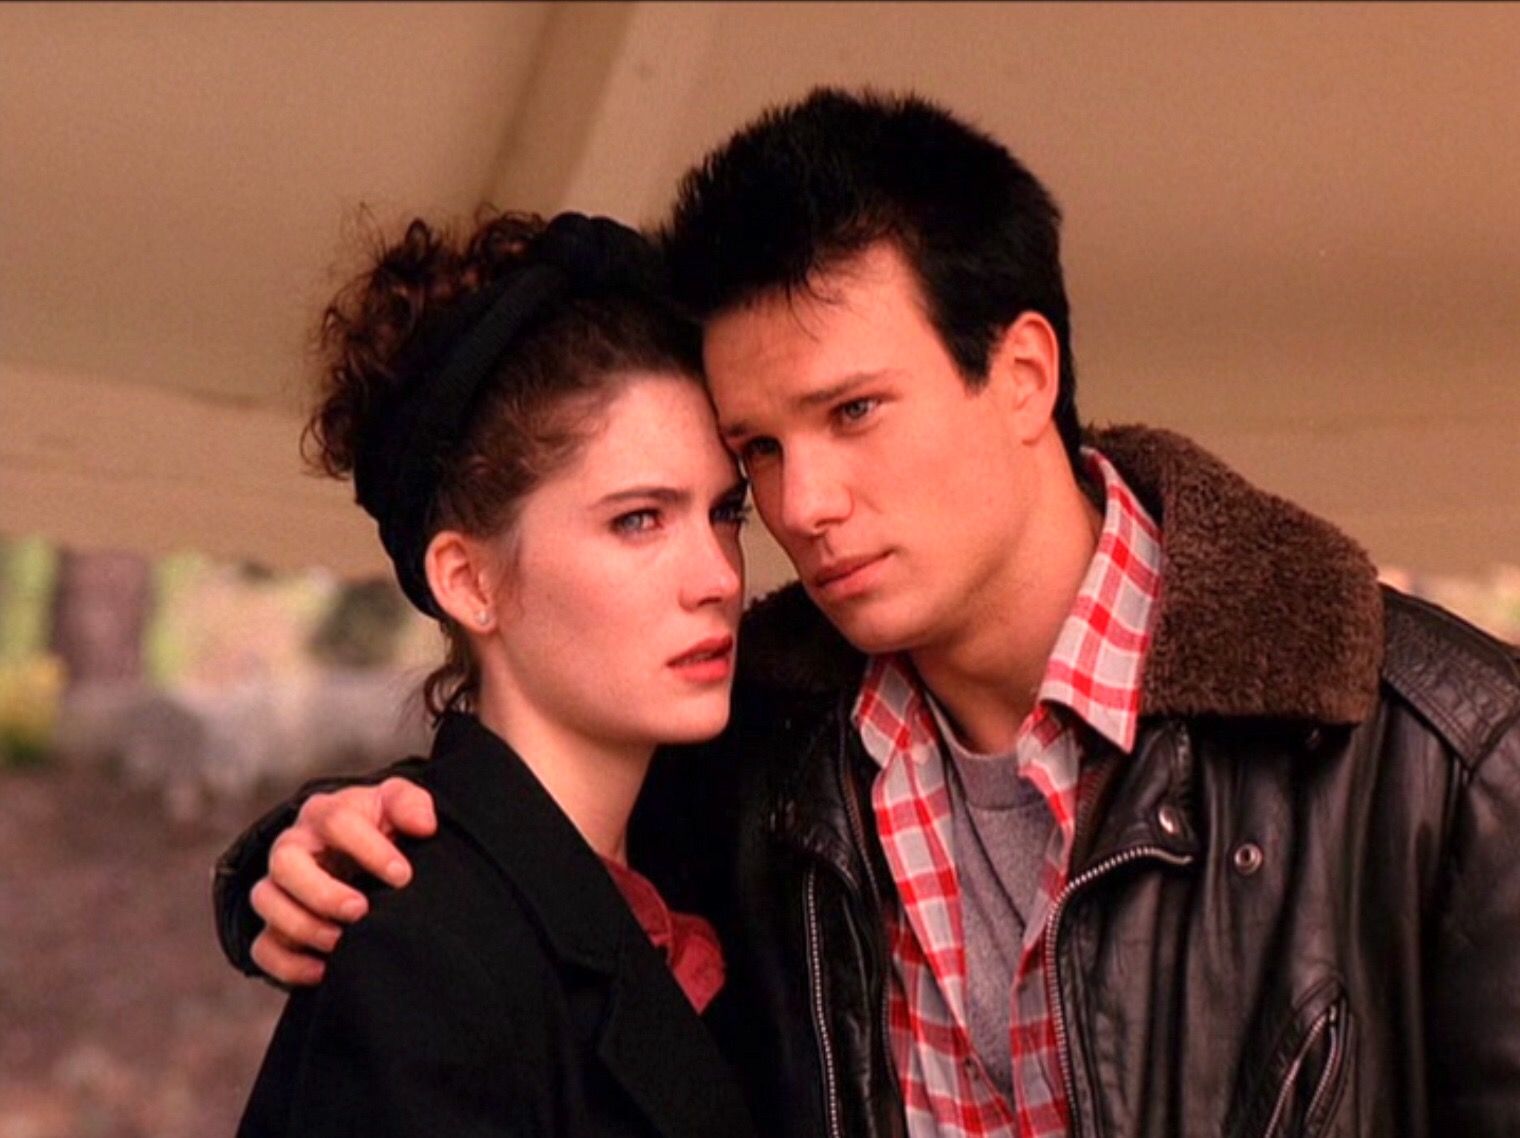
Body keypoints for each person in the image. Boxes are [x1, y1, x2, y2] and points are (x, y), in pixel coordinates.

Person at [216, 89, 1520, 1138]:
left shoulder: (1448, 762)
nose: (804, 506)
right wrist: (302, 856)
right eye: (760, 451)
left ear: (1022, 374)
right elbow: (524, 874)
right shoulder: (768, 759)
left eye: (853, 412)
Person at [233, 209, 756, 1137]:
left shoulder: (713, 866)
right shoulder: (426, 955)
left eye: (725, 514)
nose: (716, 577)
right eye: (638, 520)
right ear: (469, 582)